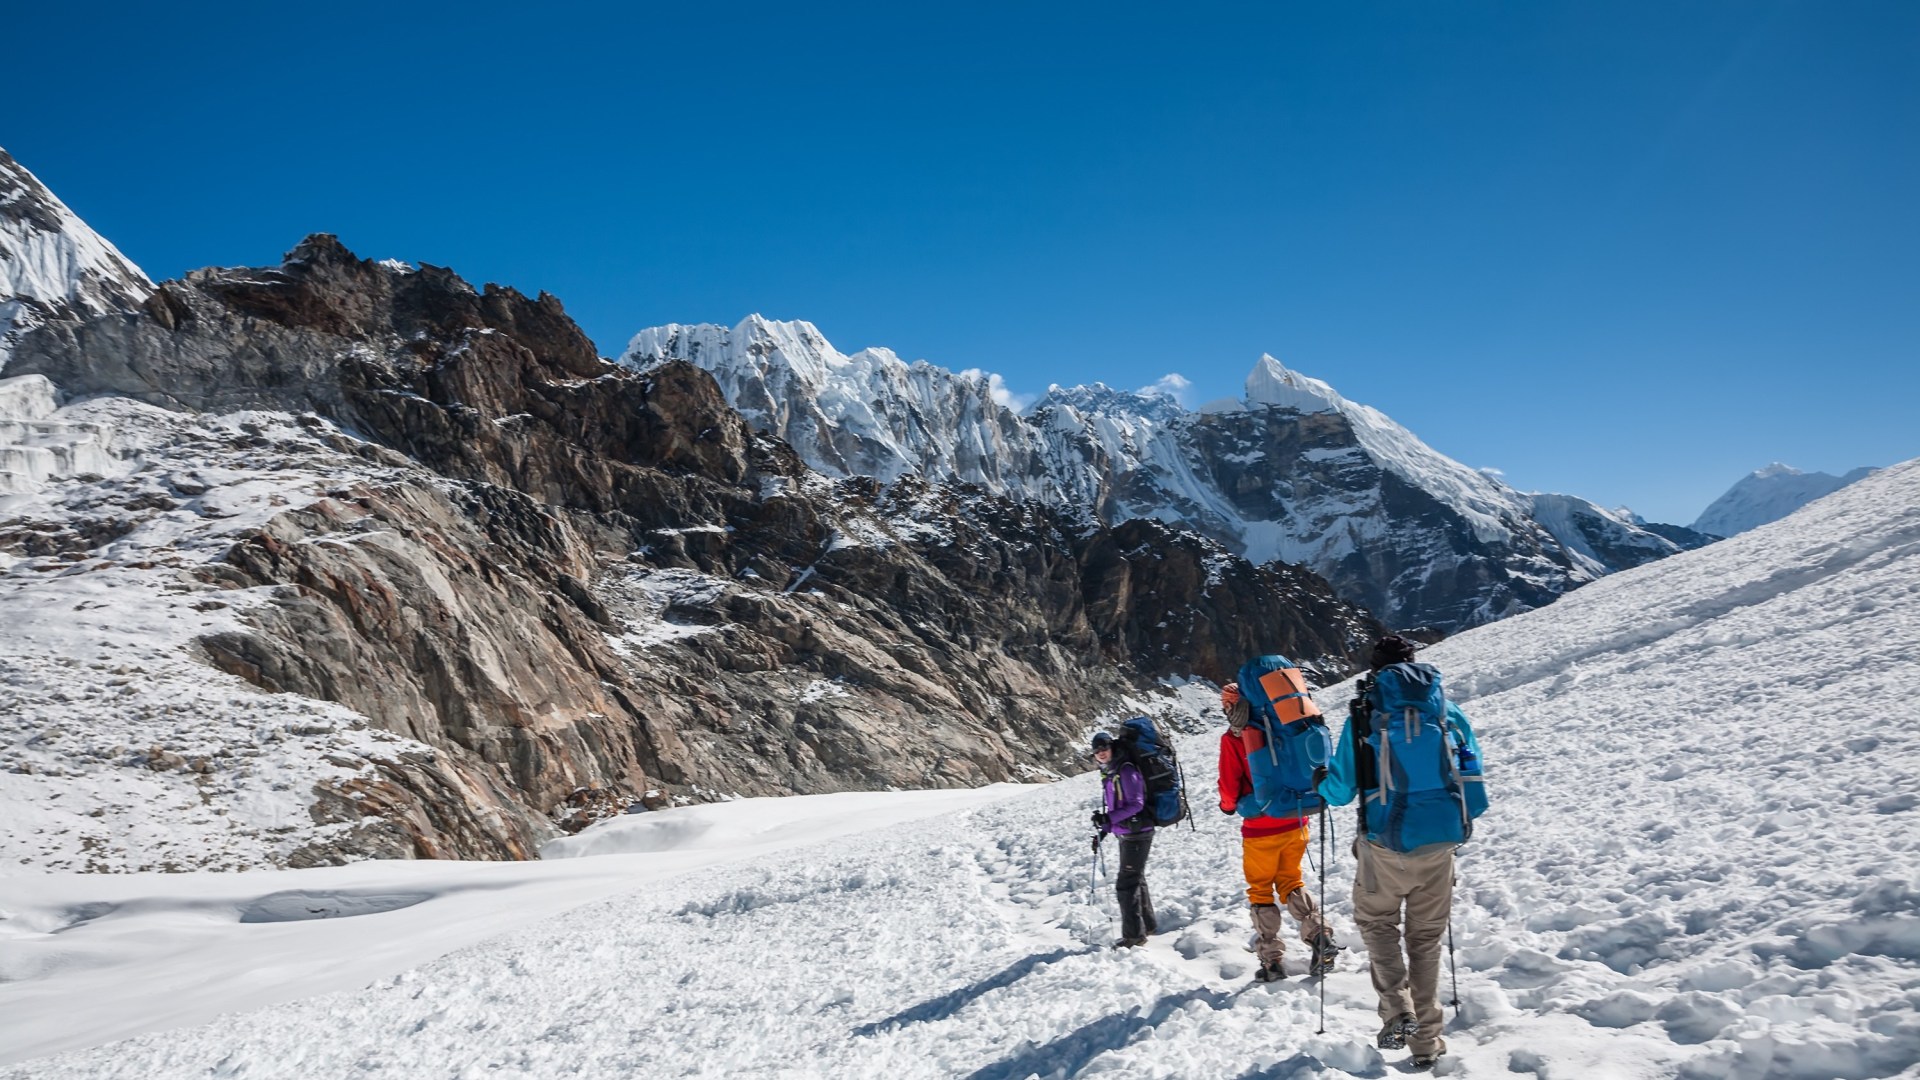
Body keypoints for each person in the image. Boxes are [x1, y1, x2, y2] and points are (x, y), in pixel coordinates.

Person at [1318, 633, 1488, 1071]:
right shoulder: (1446, 711)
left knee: (1377, 923)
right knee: (1426, 940)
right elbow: (1471, 768)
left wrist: (1322, 782)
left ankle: (1397, 1010)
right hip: (1442, 841)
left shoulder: (1366, 716)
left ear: (1375, 671)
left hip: (1385, 844)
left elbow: (1339, 789)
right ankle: (1427, 1043)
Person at [1219, 682, 1340, 981]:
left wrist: (1228, 806)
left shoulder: (1235, 738)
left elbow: (1229, 787)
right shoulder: (1283, 724)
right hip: (1296, 819)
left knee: (1261, 890)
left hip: (1261, 828)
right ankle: (1319, 935)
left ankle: (1271, 961)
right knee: (1291, 881)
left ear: (1232, 707)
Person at [1091, 730, 1158, 948]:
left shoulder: (1126, 770)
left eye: (1104, 748)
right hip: (1128, 833)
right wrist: (1105, 828)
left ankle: (1134, 936)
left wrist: (1108, 818)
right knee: (1135, 878)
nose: (1101, 753)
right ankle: (1147, 924)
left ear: (1112, 748)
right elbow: (1118, 807)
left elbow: (1136, 804)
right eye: (1097, 750)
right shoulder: (1111, 772)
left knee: (1126, 885)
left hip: (1138, 833)